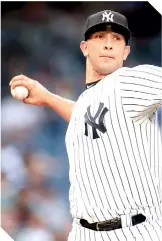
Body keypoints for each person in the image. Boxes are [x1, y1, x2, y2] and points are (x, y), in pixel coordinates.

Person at [10, 10, 162, 241]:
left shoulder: (131, 80)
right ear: (84, 48)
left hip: (132, 230)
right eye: (100, 37)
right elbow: (89, 119)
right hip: (83, 233)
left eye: (117, 39)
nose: (109, 45)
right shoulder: (88, 99)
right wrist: (50, 98)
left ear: (126, 52)